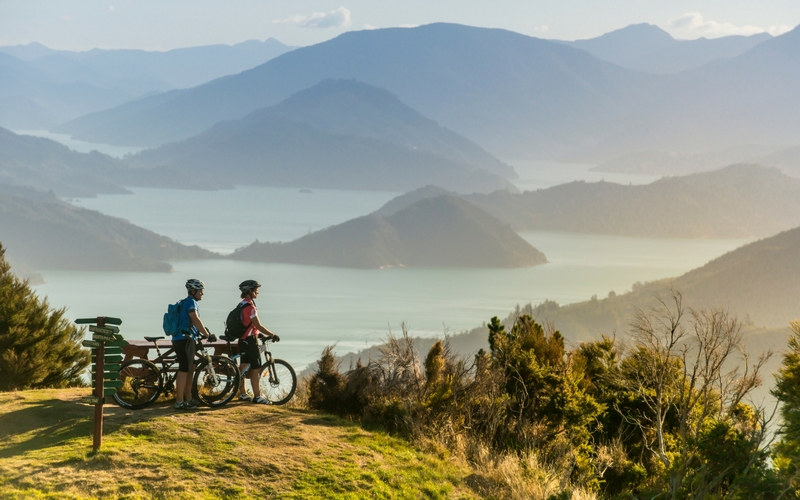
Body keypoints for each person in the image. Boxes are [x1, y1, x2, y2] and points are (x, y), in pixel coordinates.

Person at [236, 279, 280, 404]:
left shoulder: (241, 304)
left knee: (243, 367)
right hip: (250, 342)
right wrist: (272, 334)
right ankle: (257, 396)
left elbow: (247, 325)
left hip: (242, 340)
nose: (258, 292)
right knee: (256, 369)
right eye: (256, 290)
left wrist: (258, 334)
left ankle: (243, 394)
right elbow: (258, 325)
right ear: (249, 291)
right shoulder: (250, 307)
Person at [173, 278, 211, 410]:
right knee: (184, 370)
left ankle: (188, 398)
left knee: (191, 368)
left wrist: (201, 333)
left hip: (185, 339)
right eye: (200, 291)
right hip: (184, 340)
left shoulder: (187, 302)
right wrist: (207, 335)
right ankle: (179, 402)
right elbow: (195, 319)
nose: (202, 293)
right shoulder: (191, 303)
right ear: (193, 291)